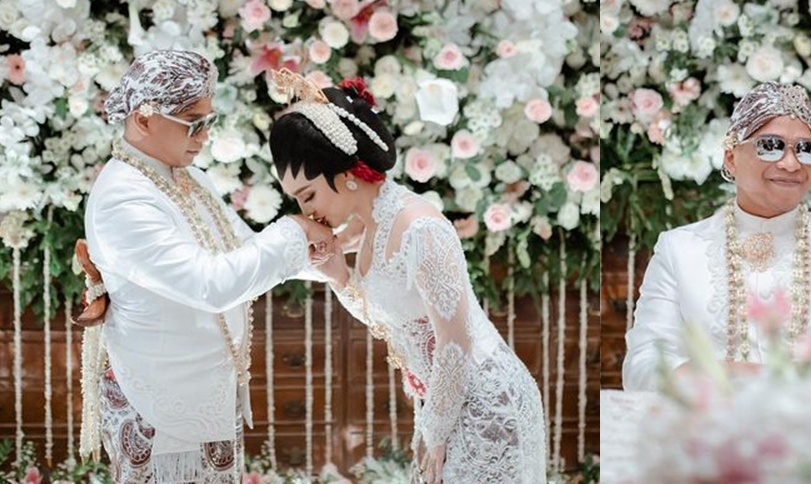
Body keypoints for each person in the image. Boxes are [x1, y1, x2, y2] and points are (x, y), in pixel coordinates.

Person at [267, 69, 546, 484]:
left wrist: (434, 430)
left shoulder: (420, 228)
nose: (308, 211)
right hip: (441, 401)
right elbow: (391, 319)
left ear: (345, 175)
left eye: (308, 195)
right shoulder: (365, 223)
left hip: (486, 400)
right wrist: (339, 276)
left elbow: (455, 344)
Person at [80, 50, 334, 482]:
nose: (203, 136)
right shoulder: (123, 198)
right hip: (161, 400)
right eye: (193, 123)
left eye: (208, 122)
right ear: (144, 118)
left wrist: (325, 258)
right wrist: (294, 229)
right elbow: (210, 284)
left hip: (204, 388)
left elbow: (244, 249)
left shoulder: (183, 175)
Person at [622, 81, 811, 392]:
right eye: (770, 145)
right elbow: (644, 364)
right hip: (703, 431)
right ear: (732, 157)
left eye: (806, 149)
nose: (791, 164)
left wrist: (758, 377)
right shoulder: (679, 249)